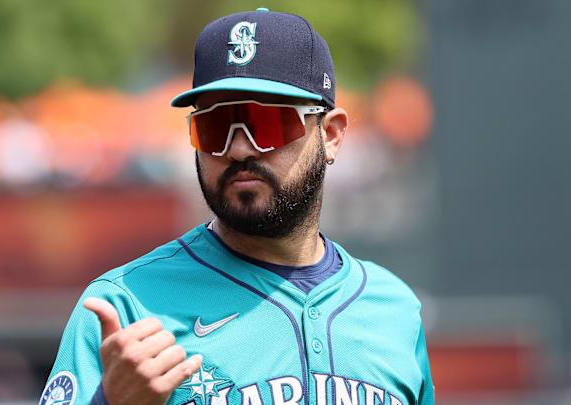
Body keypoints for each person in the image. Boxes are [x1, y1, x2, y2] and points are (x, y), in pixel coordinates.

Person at [40, 8, 434, 405]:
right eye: (215, 127)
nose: (239, 147)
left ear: (330, 135)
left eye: (266, 123)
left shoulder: (393, 309)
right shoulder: (125, 306)